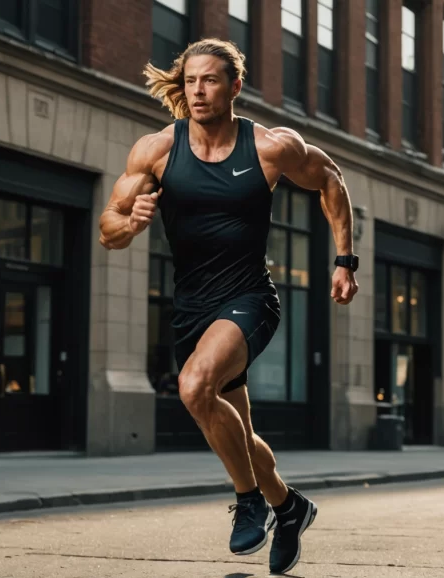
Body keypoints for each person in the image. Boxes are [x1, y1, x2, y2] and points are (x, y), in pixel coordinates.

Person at [97, 38, 359, 575]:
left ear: (234, 87)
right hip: (192, 308)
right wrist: (132, 222)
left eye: (210, 80)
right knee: (238, 431)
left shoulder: (269, 147)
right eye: (191, 81)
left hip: (249, 299)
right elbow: (108, 230)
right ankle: (290, 507)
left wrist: (344, 260)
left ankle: (250, 502)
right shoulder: (156, 150)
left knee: (195, 387)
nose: (198, 91)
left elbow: (330, 180)